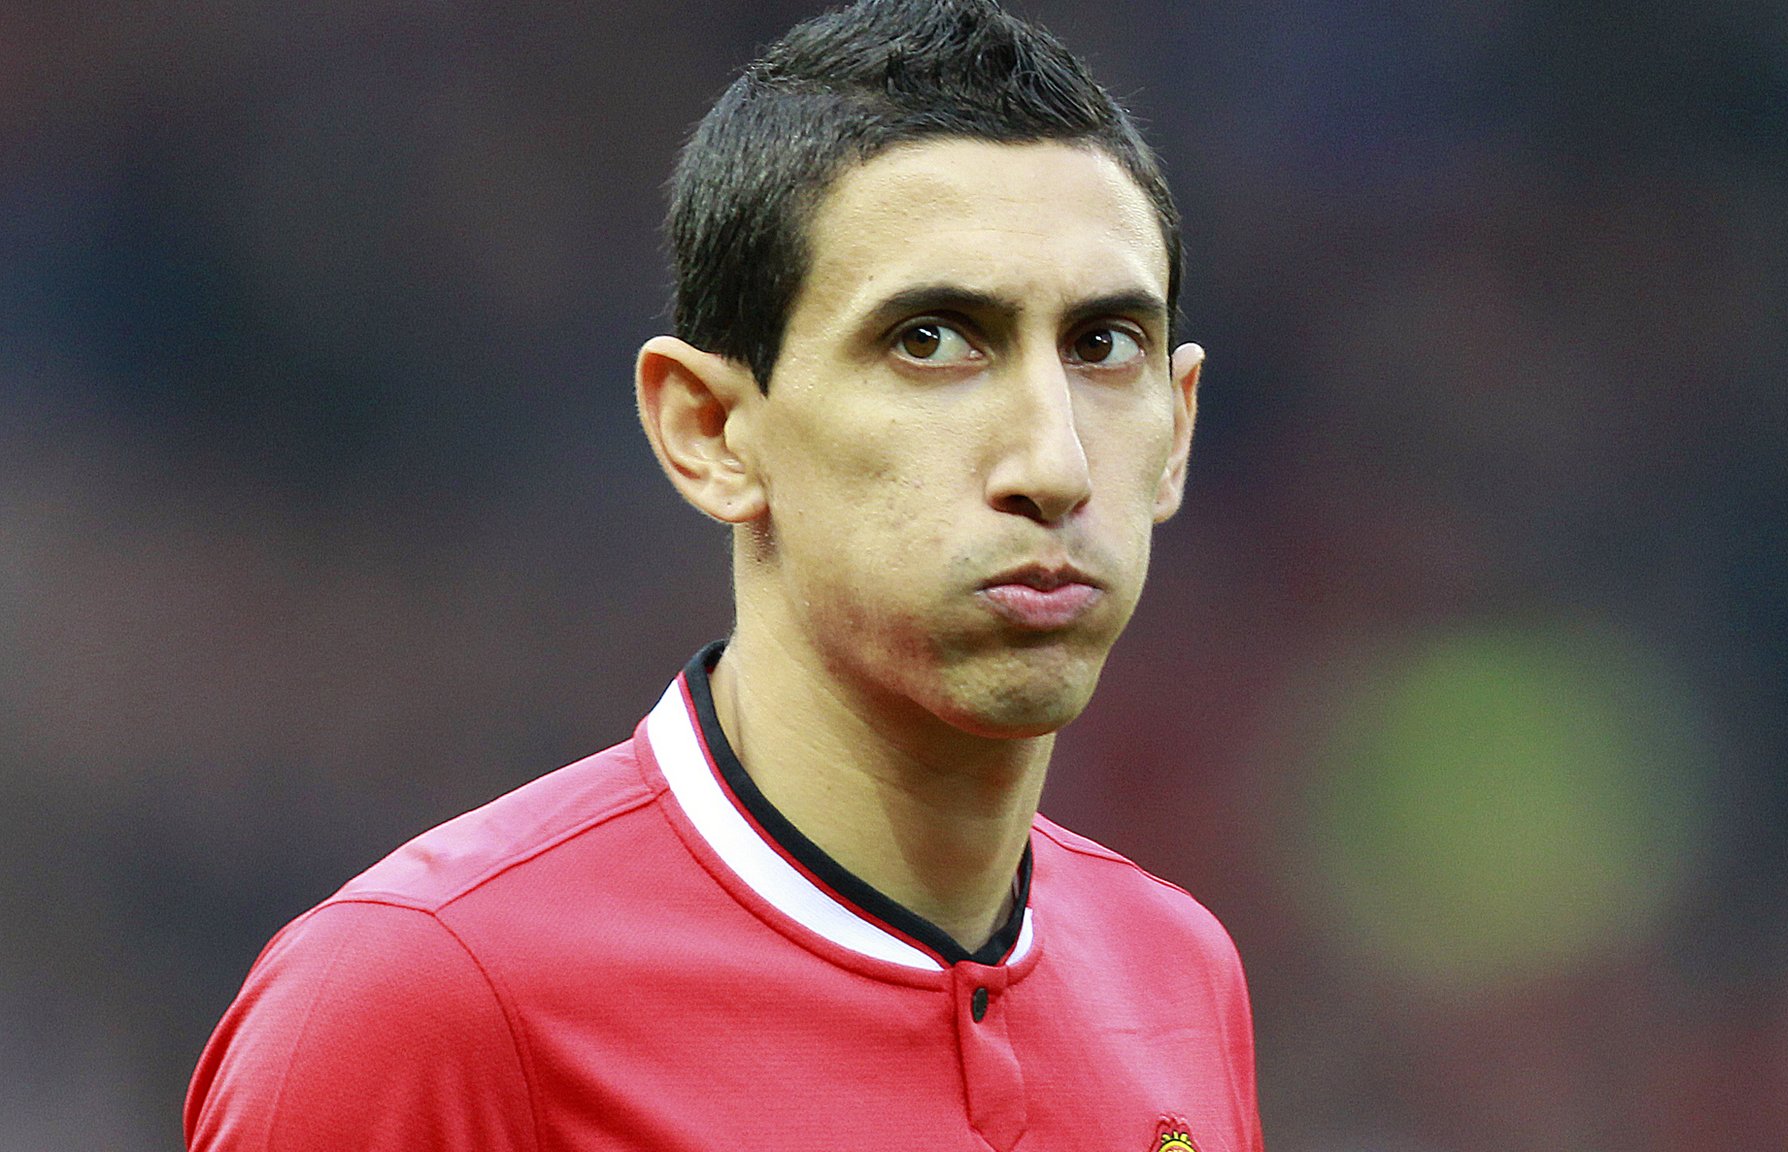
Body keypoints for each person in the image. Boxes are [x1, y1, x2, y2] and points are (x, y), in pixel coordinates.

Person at [184, 0, 1261, 1148]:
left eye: (1102, 345)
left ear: (1177, 429)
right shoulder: (420, 999)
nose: (1051, 464)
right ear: (709, 430)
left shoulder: (1177, 973)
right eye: (929, 340)